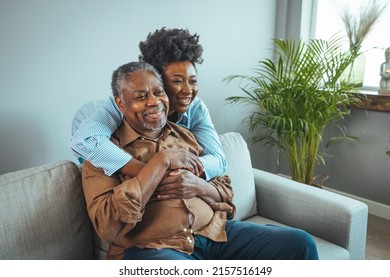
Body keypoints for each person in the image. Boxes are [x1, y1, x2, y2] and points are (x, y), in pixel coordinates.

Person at [82, 61, 319, 260]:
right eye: (141, 96)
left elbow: (225, 190)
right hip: (156, 248)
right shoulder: (102, 154)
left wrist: (200, 186)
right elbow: (107, 225)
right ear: (120, 104)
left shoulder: (185, 135)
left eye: (158, 92)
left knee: (301, 243)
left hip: (216, 234)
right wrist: (160, 162)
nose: (154, 102)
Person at [71, 27, 226, 181]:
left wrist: (182, 173)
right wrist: (154, 172)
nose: (188, 90)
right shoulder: (122, 104)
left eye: (193, 81)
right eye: (177, 81)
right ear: (157, 80)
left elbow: (218, 159)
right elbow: (85, 140)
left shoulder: (196, 108)